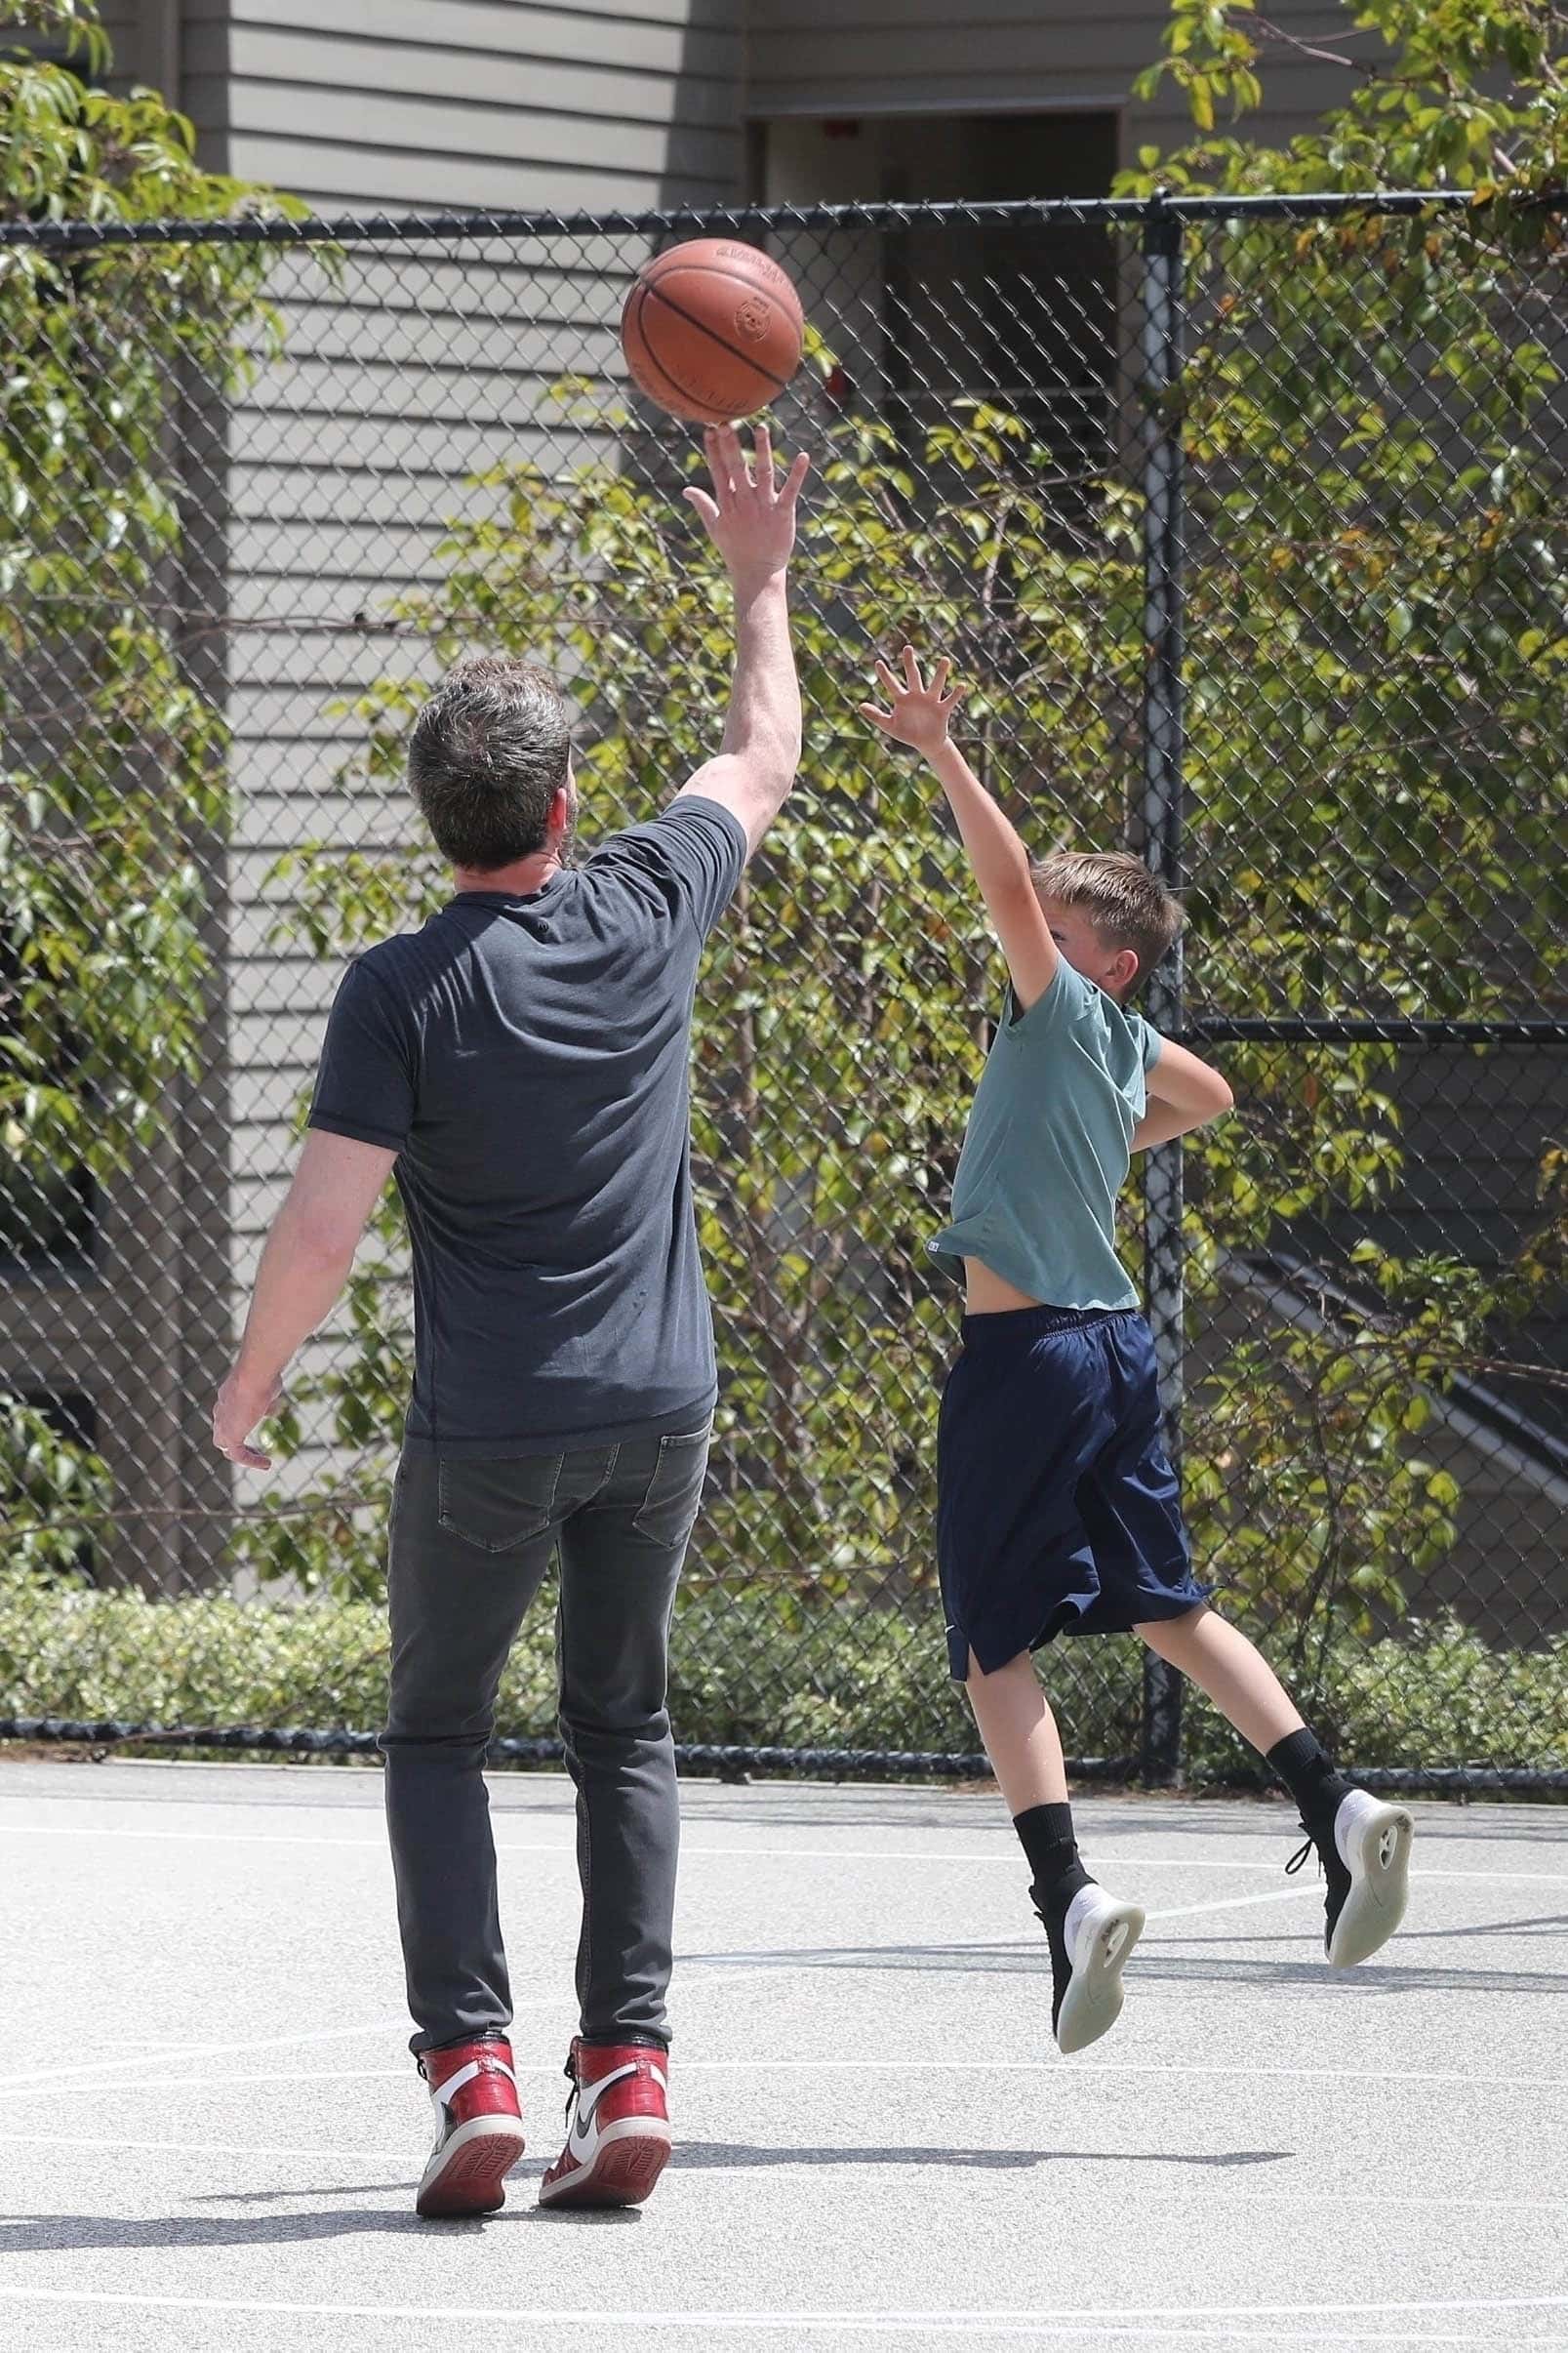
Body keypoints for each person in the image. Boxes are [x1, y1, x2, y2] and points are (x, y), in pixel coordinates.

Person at [213, 424, 810, 2216]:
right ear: (565, 808)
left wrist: (247, 1394)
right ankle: (625, 2062)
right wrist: (760, 575)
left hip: (488, 1426)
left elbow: (325, 1226)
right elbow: (765, 750)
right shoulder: (645, 903)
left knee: (438, 1730)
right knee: (621, 1723)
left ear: (437, 817)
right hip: (663, 1407)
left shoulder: (397, 989)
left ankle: (472, 2064)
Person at [860, 647, 1414, 2055]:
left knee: (994, 1648)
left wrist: (939, 748)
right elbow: (1210, 1094)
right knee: (1170, 1605)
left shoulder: (1066, 1012)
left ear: (1100, 960)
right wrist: (1115, 1131)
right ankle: (1334, 1806)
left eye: (1047, 927)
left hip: (1030, 1354)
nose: (1018, 935)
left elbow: (999, 880)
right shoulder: (1113, 1047)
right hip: (1116, 1354)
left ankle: (1067, 1894)